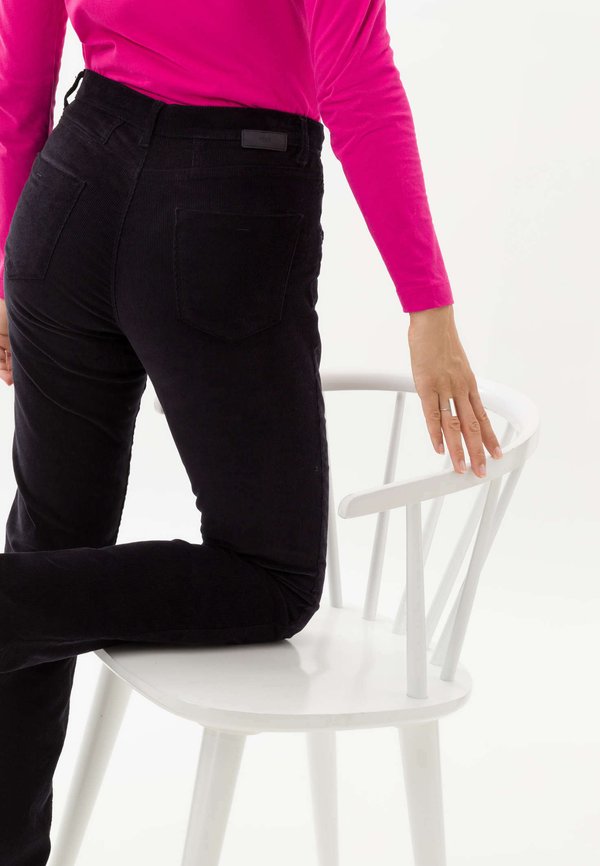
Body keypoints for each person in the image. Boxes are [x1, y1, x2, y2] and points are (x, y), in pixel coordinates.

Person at [0, 0, 503, 861]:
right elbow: (357, 78)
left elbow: (19, 69)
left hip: (71, 189)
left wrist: (10, 258)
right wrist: (428, 306)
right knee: (273, 577)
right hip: (227, 205)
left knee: (52, 543)